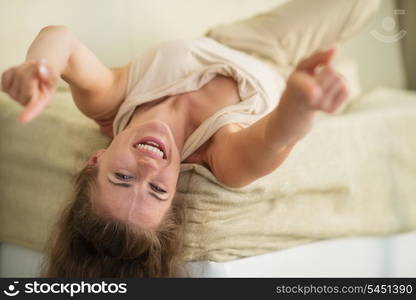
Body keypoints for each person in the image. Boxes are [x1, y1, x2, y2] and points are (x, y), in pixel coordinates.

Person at [0, 0, 379, 277]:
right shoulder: (217, 154)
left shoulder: (109, 99)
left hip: (235, 43)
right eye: (157, 191)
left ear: (96, 160)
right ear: (175, 193)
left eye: (123, 178)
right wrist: (300, 102)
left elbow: (61, 39)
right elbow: (276, 138)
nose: (148, 168)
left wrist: (41, 67)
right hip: (281, 71)